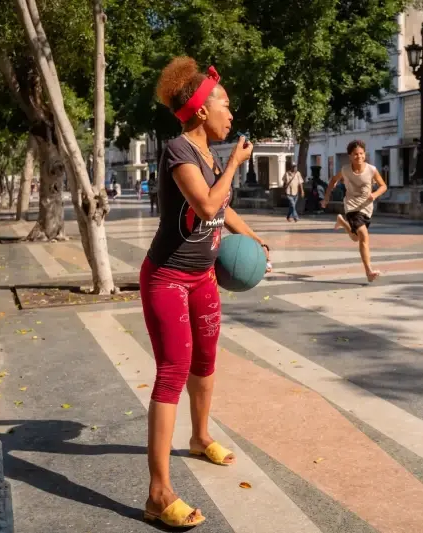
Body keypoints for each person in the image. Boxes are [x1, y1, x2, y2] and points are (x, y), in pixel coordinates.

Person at [140, 56, 272, 528]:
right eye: (225, 106)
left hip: (202, 279)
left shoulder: (210, 155)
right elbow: (207, 201)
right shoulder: (179, 151)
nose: (231, 116)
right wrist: (236, 162)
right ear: (201, 111)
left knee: (206, 364)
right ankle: (158, 492)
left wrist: (253, 237)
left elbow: (223, 214)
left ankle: (199, 437)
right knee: (173, 371)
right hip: (167, 279)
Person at [320, 140, 388, 282]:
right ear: (350, 156)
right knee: (363, 236)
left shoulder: (371, 170)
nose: (359, 157)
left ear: (365, 154)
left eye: (361, 154)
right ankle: (369, 271)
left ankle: (342, 222)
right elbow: (333, 181)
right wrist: (326, 198)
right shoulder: (345, 170)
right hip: (351, 207)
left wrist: (374, 195)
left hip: (366, 208)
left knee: (356, 237)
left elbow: (383, 186)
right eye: (356, 154)